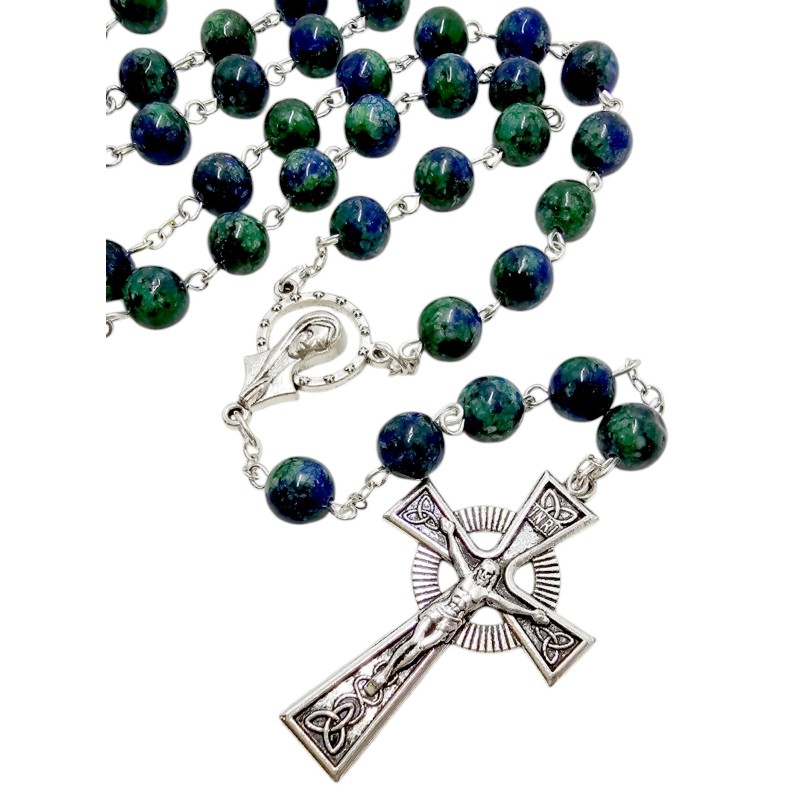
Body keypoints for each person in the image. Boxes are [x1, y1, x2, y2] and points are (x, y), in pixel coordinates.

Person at [364, 517, 550, 697]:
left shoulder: (486, 595)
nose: (483, 575)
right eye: (482, 570)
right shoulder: (466, 576)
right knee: (414, 639)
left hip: (450, 622)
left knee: (421, 647)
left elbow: (509, 606)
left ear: (492, 578)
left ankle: (391, 673)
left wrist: (531, 613)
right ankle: (385, 672)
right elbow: (456, 555)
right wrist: (449, 533)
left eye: (488, 574)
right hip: (439, 610)